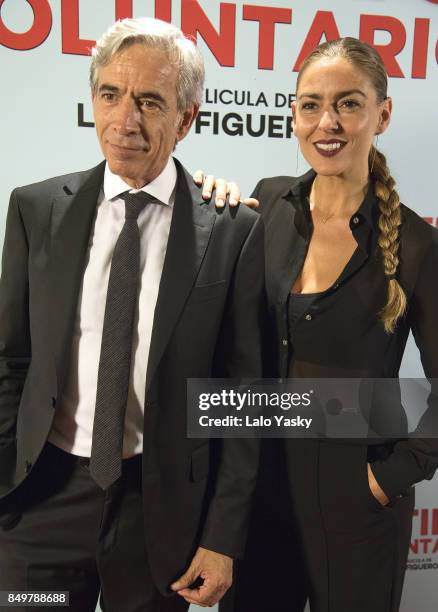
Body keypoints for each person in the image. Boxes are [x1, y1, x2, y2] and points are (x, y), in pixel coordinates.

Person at [0, 18, 266, 612]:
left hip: (162, 511)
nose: (125, 121)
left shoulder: (232, 230)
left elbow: (246, 395)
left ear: (187, 118)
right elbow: (12, 359)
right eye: (110, 95)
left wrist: (222, 536)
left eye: (150, 101)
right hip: (42, 504)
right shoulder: (34, 209)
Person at [198, 37, 438, 612]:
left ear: (382, 113)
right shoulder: (264, 204)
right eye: (310, 105)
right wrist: (208, 213)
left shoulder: (418, 243)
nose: (326, 122)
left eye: (348, 104)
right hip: (256, 496)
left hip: (357, 498)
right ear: (294, 115)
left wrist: (391, 475)